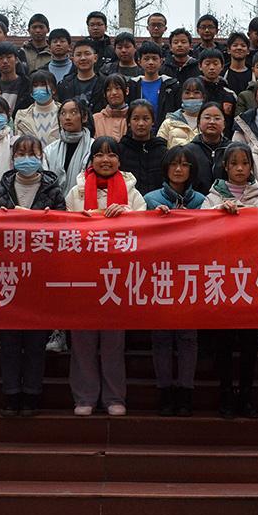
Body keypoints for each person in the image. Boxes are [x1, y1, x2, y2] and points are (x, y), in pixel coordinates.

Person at [0, 135, 67, 416]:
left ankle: (32, 393)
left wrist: (49, 220)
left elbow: (64, 232)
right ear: (13, 158)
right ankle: (11, 393)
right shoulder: (0, 191)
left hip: (40, 275)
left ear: (42, 157)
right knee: (9, 341)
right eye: (21, 153)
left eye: (32, 153)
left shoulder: (53, 192)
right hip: (7, 273)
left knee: (35, 341)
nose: (26, 158)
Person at [65, 137, 145, 416]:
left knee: (113, 342)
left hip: (117, 276)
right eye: (99, 155)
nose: (105, 160)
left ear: (119, 161)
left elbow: (146, 231)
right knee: (82, 340)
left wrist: (127, 214)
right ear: (91, 160)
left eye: (111, 155)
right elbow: (65, 230)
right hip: (83, 275)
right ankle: (84, 397)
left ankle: (113, 397)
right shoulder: (75, 192)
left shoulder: (133, 192)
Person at [203, 143, 258, 418]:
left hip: (251, 278)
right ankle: (226, 394)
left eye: (245, 163)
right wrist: (219, 212)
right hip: (222, 278)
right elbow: (200, 226)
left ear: (251, 167)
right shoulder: (212, 196)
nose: (240, 169)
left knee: (250, 343)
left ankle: (247, 395)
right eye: (234, 164)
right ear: (225, 167)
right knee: (225, 343)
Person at [142, 147, 204, 416]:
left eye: (185, 164)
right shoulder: (150, 199)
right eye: (174, 164)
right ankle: (165, 391)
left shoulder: (202, 201)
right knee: (161, 337)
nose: (179, 169)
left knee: (188, 338)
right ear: (166, 168)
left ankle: (186, 392)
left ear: (192, 170)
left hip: (191, 275)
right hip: (159, 275)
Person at [118, 100, 168, 195]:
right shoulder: (120, 150)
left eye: (146, 119)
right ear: (129, 122)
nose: (141, 123)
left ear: (153, 121)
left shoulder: (162, 151)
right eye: (135, 119)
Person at [45, 98, 93, 195]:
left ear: (84, 117)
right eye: (63, 113)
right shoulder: (50, 150)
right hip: (54, 201)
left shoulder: (93, 147)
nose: (67, 117)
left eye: (73, 112)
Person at [129, 41, 179, 123]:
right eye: (146, 59)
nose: (151, 62)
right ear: (139, 61)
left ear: (161, 61)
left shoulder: (171, 85)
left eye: (154, 59)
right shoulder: (133, 85)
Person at [185, 102, 230, 192]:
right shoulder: (188, 151)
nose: (212, 122)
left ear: (224, 124)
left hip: (227, 198)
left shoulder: (231, 150)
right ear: (199, 122)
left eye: (217, 118)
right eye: (207, 118)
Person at [57, 39, 106, 112]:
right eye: (78, 55)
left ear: (95, 58)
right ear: (73, 59)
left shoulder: (105, 83)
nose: (83, 58)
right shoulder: (64, 85)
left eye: (87, 54)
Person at [13, 70, 61, 146]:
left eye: (43, 84)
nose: (39, 88)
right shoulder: (21, 116)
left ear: (54, 89)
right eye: (35, 85)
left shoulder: (64, 113)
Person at [157, 77, 205, 148]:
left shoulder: (208, 122)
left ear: (203, 97)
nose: (191, 96)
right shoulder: (169, 123)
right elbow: (159, 149)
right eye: (187, 93)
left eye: (196, 93)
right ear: (181, 96)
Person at [0, 42, 32, 113]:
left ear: (16, 60)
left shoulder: (27, 85)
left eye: (9, 57)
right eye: (0, 58)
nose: (5, 61)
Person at [92, 74, 130, 139]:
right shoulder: (96, 119)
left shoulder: (132, 118)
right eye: (108, 89)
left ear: (126, 90)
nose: (113, 93)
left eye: (117, 88)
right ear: (104, 94)